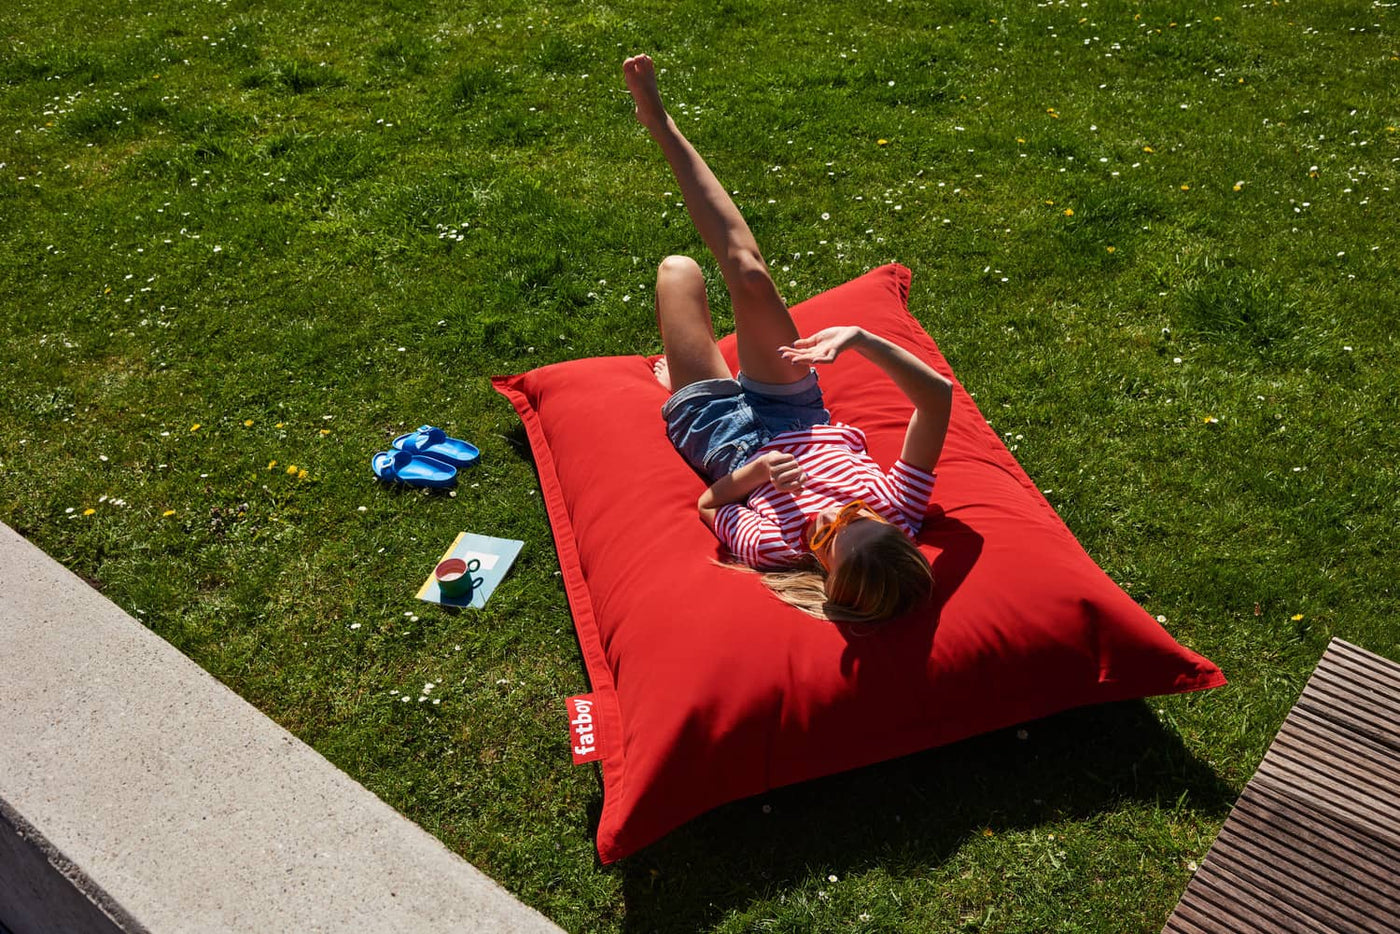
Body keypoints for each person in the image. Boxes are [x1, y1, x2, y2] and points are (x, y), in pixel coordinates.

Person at [623, 54, 954, 623]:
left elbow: (709, 503)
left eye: (830, 538)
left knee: (678, 270)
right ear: (892, 532)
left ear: (828, 576)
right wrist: (860, 337)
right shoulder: (900, 510)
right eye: (856, 517)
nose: (834, 517)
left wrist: (752, 476)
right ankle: (660, 124)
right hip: (794, 408)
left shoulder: (775, 548)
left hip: (720, 436)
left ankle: (681, 383)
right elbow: (937, 398)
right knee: (749, 273)